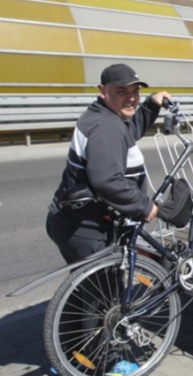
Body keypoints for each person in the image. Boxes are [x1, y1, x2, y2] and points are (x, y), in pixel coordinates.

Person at [46, 63, 171, 264]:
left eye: (135, 91)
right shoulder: (105, 128)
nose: (131, 98)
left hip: (74, 223)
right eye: (122, 91)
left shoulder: (106, 116)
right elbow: (107, 180)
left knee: (87, 291)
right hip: (90, 231)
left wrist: (152, 104)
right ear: (103, 91)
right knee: (108, 294)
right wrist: (144, 206)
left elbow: (128, 132)